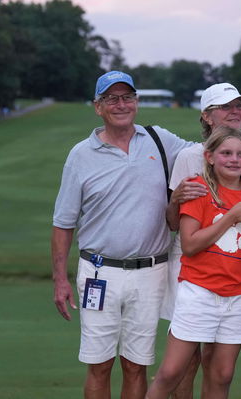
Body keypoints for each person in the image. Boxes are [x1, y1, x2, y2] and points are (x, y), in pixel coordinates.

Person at [51, 70, 195, 399]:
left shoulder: (160, 141)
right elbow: (63, 224)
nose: (121, 104)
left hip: (151, 272)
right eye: (111, 99)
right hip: (98, 273)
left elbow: (212, 151)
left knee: (136, 364)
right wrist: (60, 279)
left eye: (127, 97)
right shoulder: (80, 155)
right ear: (97, 107)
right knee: (99, 365)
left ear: (137, 102)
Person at [161, 83, 241, 398]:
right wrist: (178, 204)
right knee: (183, 363)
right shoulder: (191, 157)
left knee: (220, 367)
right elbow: (177, 220)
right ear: (207, 116)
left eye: (239, 106)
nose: (235, 111)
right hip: (194, 269)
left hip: (235, 274)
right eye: (226, 107)